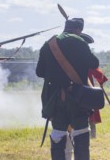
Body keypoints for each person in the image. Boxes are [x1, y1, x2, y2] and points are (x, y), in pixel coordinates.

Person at [36, 18, 99, 160]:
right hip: (78, 97)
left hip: (55, 98)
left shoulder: (48, 44)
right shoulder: (80, 42)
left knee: (58, 133)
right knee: (81, 132)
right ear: (79, 30)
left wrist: (56, 74)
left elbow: (40, 72)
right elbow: (94, 63)